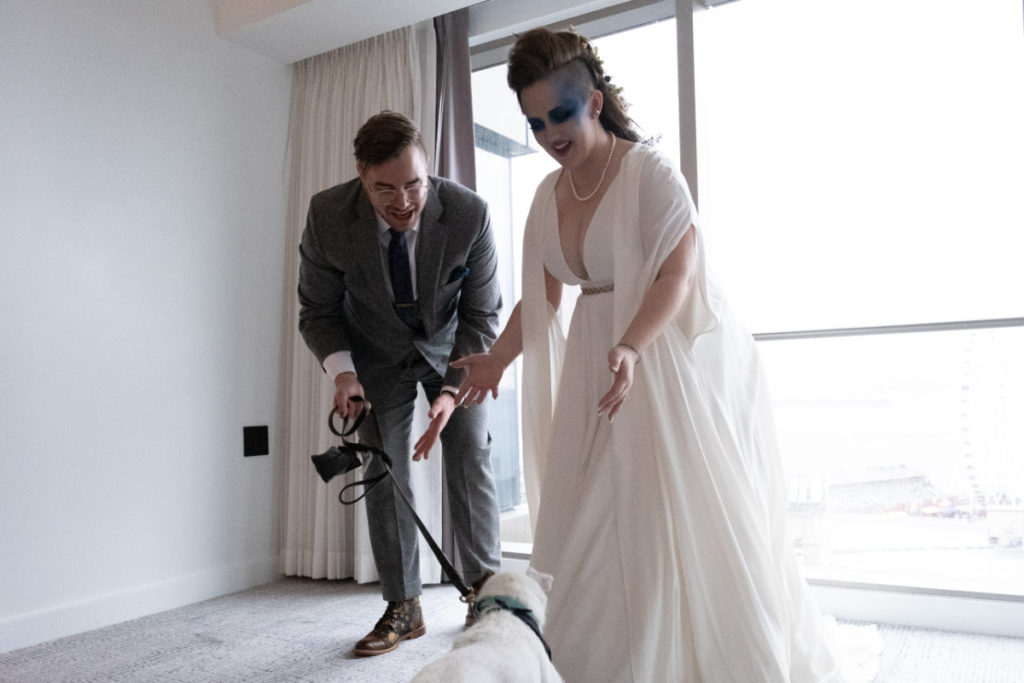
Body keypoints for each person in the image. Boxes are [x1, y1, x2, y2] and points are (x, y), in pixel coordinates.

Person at [452, 28, 872, 681]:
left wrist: (629, 345)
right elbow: (543, 298)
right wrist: (499, 360)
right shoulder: (547, 196)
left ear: (593, 101)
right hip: (596, 370)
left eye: (559, 115)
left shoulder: (648, 171)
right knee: (582, 517)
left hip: (654, 359)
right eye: (534, 122)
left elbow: (678, 274)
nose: (547, 134)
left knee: (666, 521)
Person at [297, 111, 503, 657]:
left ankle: (487, 595)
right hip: (374, 355)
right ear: (361, 174)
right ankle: (404, 606)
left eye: (413, 183)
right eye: (384, 188)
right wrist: (343, 372)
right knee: (383, 469)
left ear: (428, 169)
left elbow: (483, 314)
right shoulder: (327, 215)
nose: (403, 201)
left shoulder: (468, 214)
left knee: (470, 452)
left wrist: (449, 395)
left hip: (454, 351)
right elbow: (317, 310)